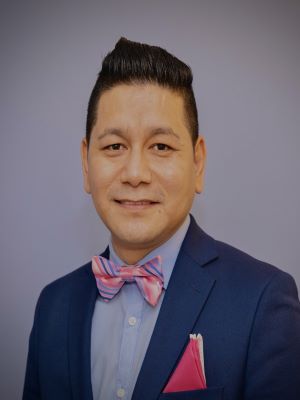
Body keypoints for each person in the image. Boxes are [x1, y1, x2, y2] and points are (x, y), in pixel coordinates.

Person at [23, 38, 300, 400]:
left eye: (161, 147)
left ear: (197, 163)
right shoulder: (53, 306)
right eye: (114, 147)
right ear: (86, 163)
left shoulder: (264, 302)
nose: (135, 173)